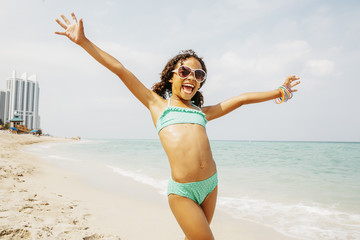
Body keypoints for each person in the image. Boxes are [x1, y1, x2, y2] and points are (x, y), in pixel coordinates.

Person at [55, 13, 300, 240]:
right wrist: (83, 42)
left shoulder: (202, 113)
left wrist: (280, 91)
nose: (191, 77)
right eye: (185, 71)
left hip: (211, 185)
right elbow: (120, 70)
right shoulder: (157, 105)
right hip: (182, 192)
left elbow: (242, 99)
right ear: (172, 75)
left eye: (199, 75)